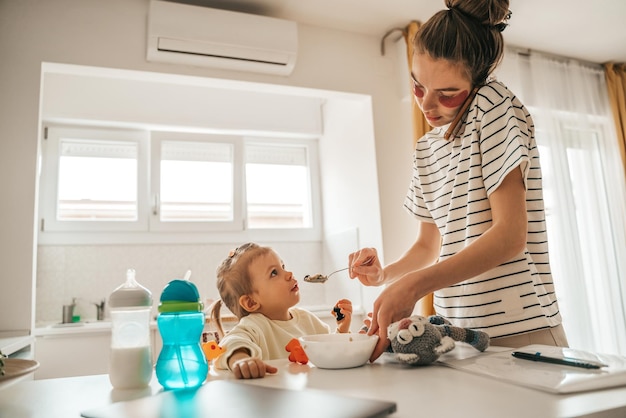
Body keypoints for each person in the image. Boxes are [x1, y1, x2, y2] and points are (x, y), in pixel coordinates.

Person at [349, 0, 568, 361]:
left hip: (521, 330)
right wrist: (385, 276)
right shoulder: (426, 148)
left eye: (448, 93)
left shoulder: (493, 105)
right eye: (418, 87)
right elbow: (427, 246)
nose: (427, 105)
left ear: (478, 80)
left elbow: (511, 235)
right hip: (459, 334)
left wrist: (413, 287)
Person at [209, 242, 353, 379]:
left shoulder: (307, 319)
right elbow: (230, 344)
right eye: (274, 273)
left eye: (283, 266)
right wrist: (241, 360)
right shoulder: (254, 326)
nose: (289, 273)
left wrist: (342, 331)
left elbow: (329, 352)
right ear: (251, 302)